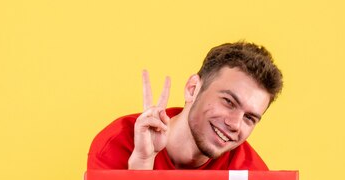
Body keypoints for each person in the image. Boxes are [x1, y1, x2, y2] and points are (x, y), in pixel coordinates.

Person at [88, 41, 283, 170]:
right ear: (192, 89)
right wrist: (142, 161)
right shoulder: (118, 143)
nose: (235, 124)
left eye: (249, 118)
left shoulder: (250, 174)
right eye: (229, 102)